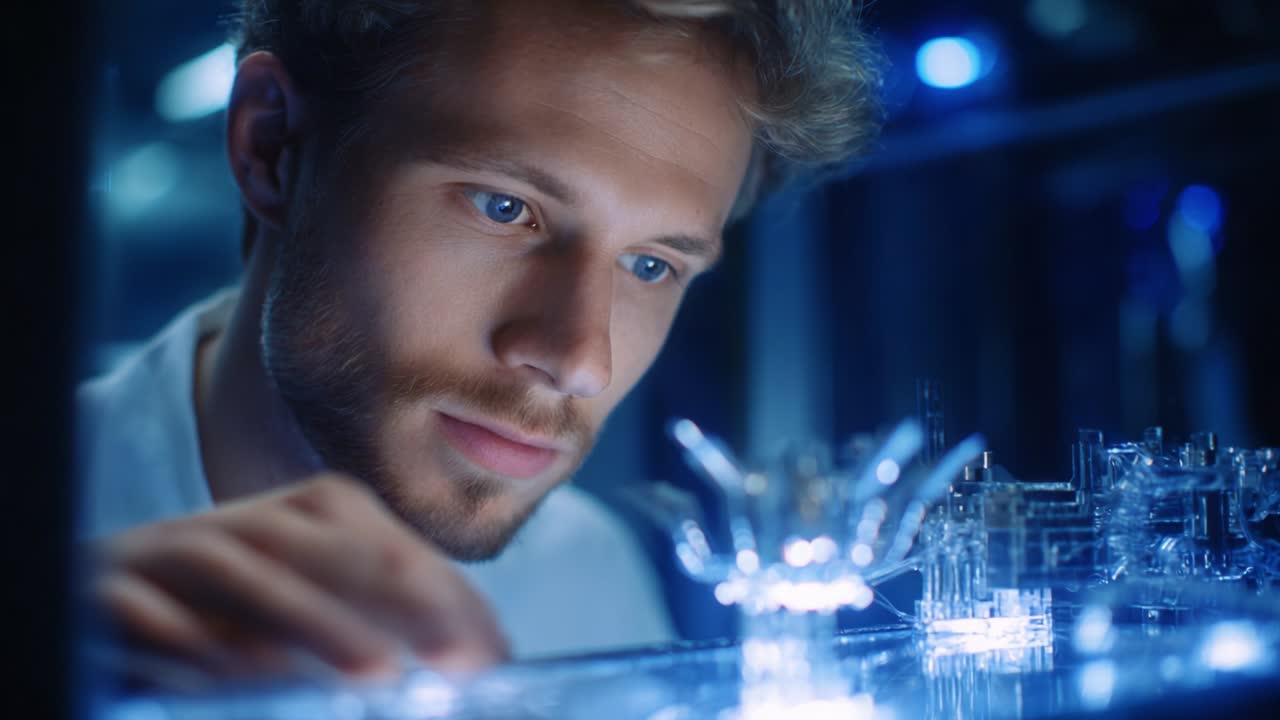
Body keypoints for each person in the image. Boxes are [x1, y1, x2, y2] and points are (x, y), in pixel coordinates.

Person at [79, 0, 883, 679]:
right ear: (272, 146)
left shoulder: (592, 579)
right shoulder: (51, 575)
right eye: (504, 208)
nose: (578, 359)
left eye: (649, 263)